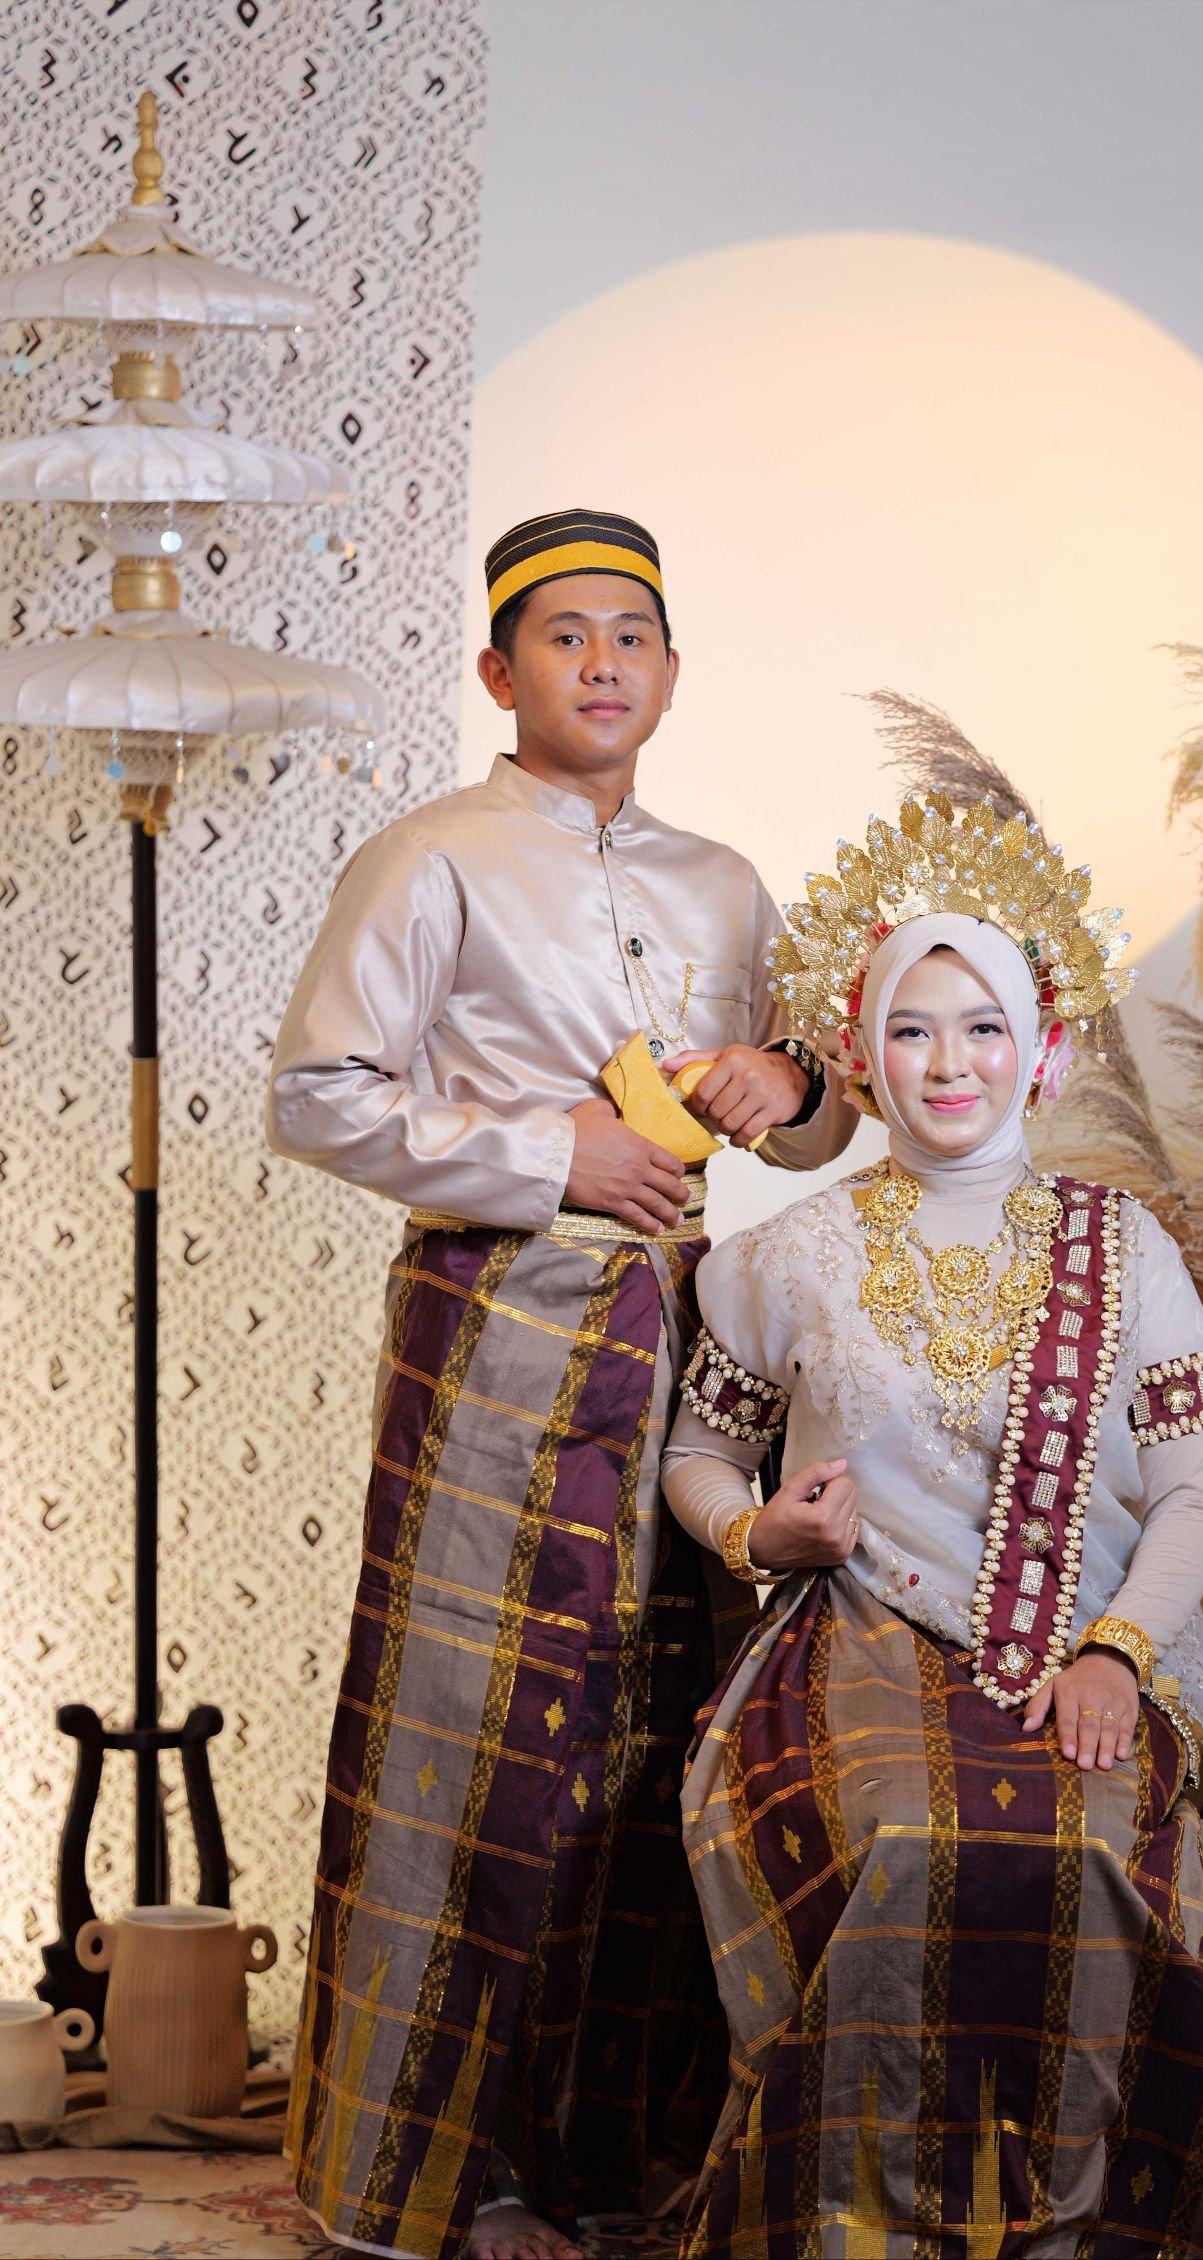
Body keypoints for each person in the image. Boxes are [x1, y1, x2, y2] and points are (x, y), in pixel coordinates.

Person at [267, 509, 855, 2260]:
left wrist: (788, 1077)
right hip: (498, 1341)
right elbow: (316, 1092)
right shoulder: (431, 857)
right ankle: (444, 2177)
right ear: (496, 669)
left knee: (658, 1732)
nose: (602, 663)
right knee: (479, 1738)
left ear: (673, 675)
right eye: (564, 635)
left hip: (686, 1347)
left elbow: (816, 1117)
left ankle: (619, 2154)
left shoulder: (725, 882)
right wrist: (554, 1153)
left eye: (631, 636)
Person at [661, 792, 1203, 2256]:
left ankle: (1070, 2225)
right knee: (906, 1838)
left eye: (983, 1027)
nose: (949, 1064)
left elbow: (1196, 1488)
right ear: (862, 1054)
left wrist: (1116, 1653)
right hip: (856, 1639)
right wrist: (759, 1538)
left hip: (1088, 1643)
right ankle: (859, 2224)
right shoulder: (789, 1253)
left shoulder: (1125, 1247)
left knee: (1088, 1849)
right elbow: (699, 1452)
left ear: (1039, 1046)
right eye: (913, 1030)